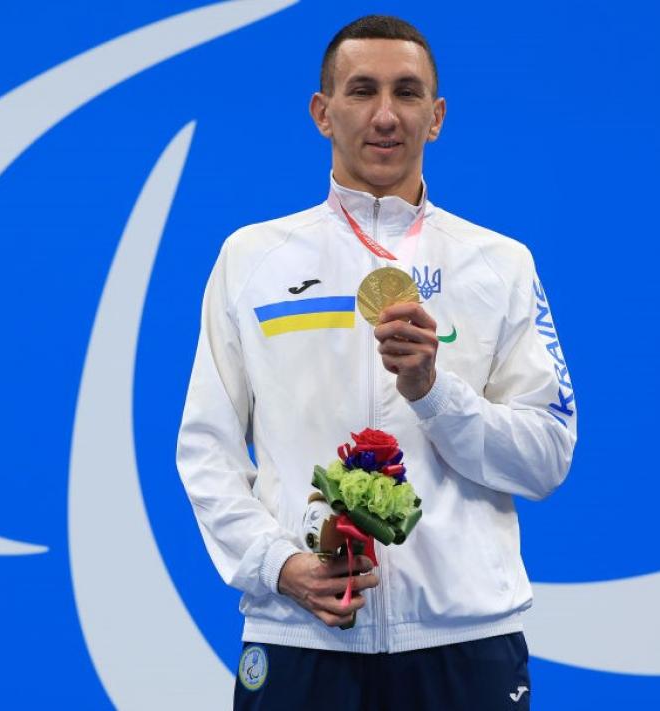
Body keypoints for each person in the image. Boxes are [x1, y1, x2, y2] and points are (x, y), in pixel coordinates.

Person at [177, 15, 576, 710]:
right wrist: (280, 565)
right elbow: (206, 449)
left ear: (438, 116)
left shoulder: (501, 265)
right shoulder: (252, 259)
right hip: (300, 636)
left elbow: (545, 457)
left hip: (465, 642)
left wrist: (432, 392)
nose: (386, 115)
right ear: (322, 113)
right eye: (362, 91)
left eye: (408, 92)